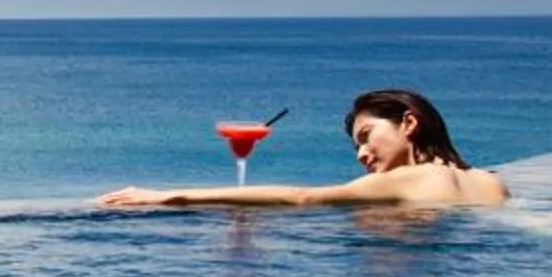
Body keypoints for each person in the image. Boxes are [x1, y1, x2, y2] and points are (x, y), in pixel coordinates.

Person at [96, 88, 510, 209]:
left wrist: (171, 195)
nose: (361, 155)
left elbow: (303, 197)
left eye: (366, 137)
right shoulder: (491, 183)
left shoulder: (409, 179)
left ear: (409, 123)